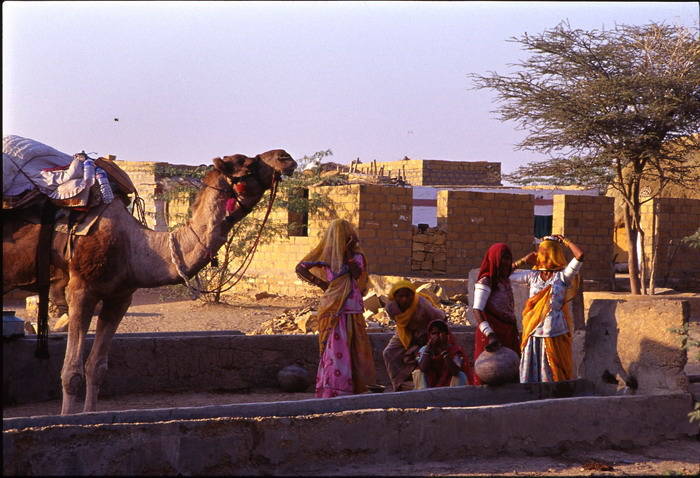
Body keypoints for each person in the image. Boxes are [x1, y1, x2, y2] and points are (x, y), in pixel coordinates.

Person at [295, 219, 376, 398]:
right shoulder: (327, 257)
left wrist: (347, 254)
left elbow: (356, 275)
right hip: (333, 307)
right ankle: (334, 387)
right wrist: (323, 285)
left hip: (351, 308)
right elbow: (301, 267)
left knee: (354, 348)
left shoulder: (357, 257)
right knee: (335, 349)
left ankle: (354, 386)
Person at [510, 234, 584, 383]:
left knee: (554, 370)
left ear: (555, 254)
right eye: (541, 251)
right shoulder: (532, 275)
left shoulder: (563, 276)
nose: (543, 254)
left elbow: (580, 256)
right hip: (532, 330)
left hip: (554, 331)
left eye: (547, 251)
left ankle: (554, 396)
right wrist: (523, 260)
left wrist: (565, 241)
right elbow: (504, 274)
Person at [471, 243, 522, 385]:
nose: (506, 262)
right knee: (491, 372)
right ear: (494, 259)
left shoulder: (503, 279)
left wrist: (525, 260)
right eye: (502, 258)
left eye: (508, 258)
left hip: (508, 333)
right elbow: (477, 310)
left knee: (510, 372)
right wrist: (490, 334)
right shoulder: (486, 281)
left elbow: (511, 268)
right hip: (492, 334)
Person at [382, 280, 446, 391]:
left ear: (412, 294)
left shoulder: (422, 304)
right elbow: (400, 323)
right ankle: (399, 384)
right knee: (389, 352)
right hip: (404, 332)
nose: (404, 299)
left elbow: (441, 318)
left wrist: (432, 337)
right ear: (395, 296)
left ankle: (423, 384)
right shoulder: (391, 307)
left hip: (425, 332)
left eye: (407, 296)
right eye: (400, 296)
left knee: (422, 356)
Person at [413, 319, 473, 389]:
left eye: (440, 333)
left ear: (447, 335)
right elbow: (423, 368)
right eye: (434, 333)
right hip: (431, 383)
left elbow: (455, 371)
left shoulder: (455, 350)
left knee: (461, 375)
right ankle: (423, 396)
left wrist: (444, 351)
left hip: (448, 383)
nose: (437, 336)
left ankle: (456, 397)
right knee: (417, 372)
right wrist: (428, 348)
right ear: (430, 336)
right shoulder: (425, 349)